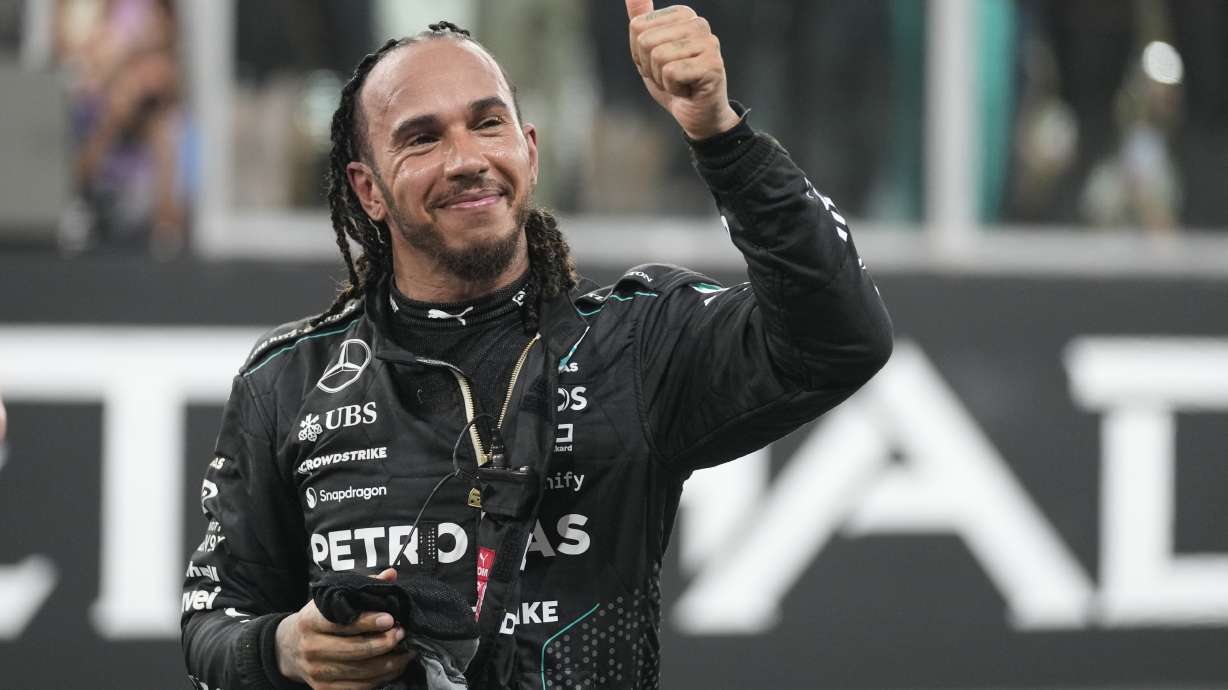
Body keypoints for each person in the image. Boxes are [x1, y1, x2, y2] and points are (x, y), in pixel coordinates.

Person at [181, 2, 892, 688]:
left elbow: (839, 337)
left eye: (487, 123)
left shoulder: (633, 341)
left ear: (528, 151)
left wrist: (720, 134)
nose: (466, 158)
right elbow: (214, 618)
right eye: (422, 138)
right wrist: (281, 650)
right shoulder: (289, 378)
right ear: (367, 190)